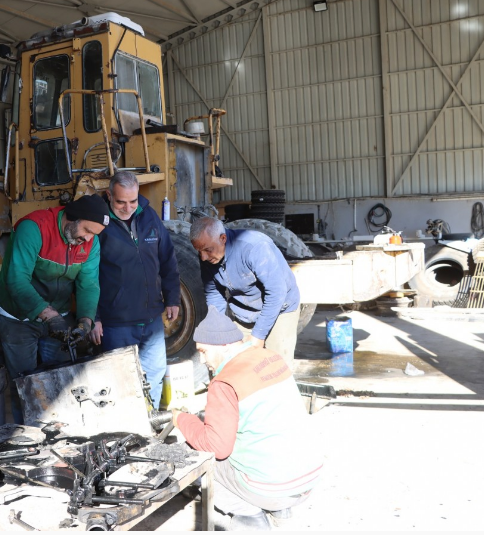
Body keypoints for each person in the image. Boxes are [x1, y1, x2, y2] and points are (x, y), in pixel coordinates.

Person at [172, 307, 323, 530]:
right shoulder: (271, 357)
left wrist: (182, 420)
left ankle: (250, 518)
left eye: (203, 351)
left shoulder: (225, 382)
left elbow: (217, 447)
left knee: (191, 458)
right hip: (308, 478)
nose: (202, 360)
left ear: (223, 345)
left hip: (272, 487)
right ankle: (280, 511)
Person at [0, 194, 110, 424]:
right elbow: (16, 280)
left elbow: (89, 284)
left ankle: (55, 432)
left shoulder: (90, 242)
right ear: (73, 218)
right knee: (24, 383)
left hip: (59, 313)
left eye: (93, 235)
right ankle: (25, 435)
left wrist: (85, 321)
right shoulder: (33, 228)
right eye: (86, 231)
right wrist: (48, 314)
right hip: (17, 316)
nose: (88, 239)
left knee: (59, 379)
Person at [88, 171, 180, 409]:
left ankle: (148, 424)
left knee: (155, 373)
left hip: (151, 319)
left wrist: (173, 298)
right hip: (116, 322)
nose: (128, 207)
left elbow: (168, 259)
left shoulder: (149, 216)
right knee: (119, 381)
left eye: (133, 201)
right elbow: (87, 276)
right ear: (109, 195)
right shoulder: (98, 224)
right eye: (120, 202)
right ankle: (125, 430)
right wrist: (93, 317)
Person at [190, 216, 301, 367]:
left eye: (208, 250)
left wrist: (259, 334)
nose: (203, 257)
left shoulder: (254, 247)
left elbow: (276, 292)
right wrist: (216, 328)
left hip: (280, 307)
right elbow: (214, 292)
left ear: (223, 238)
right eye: (199, 251)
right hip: (244, 311)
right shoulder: (208, 254)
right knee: (238, 365)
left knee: (276, 366)